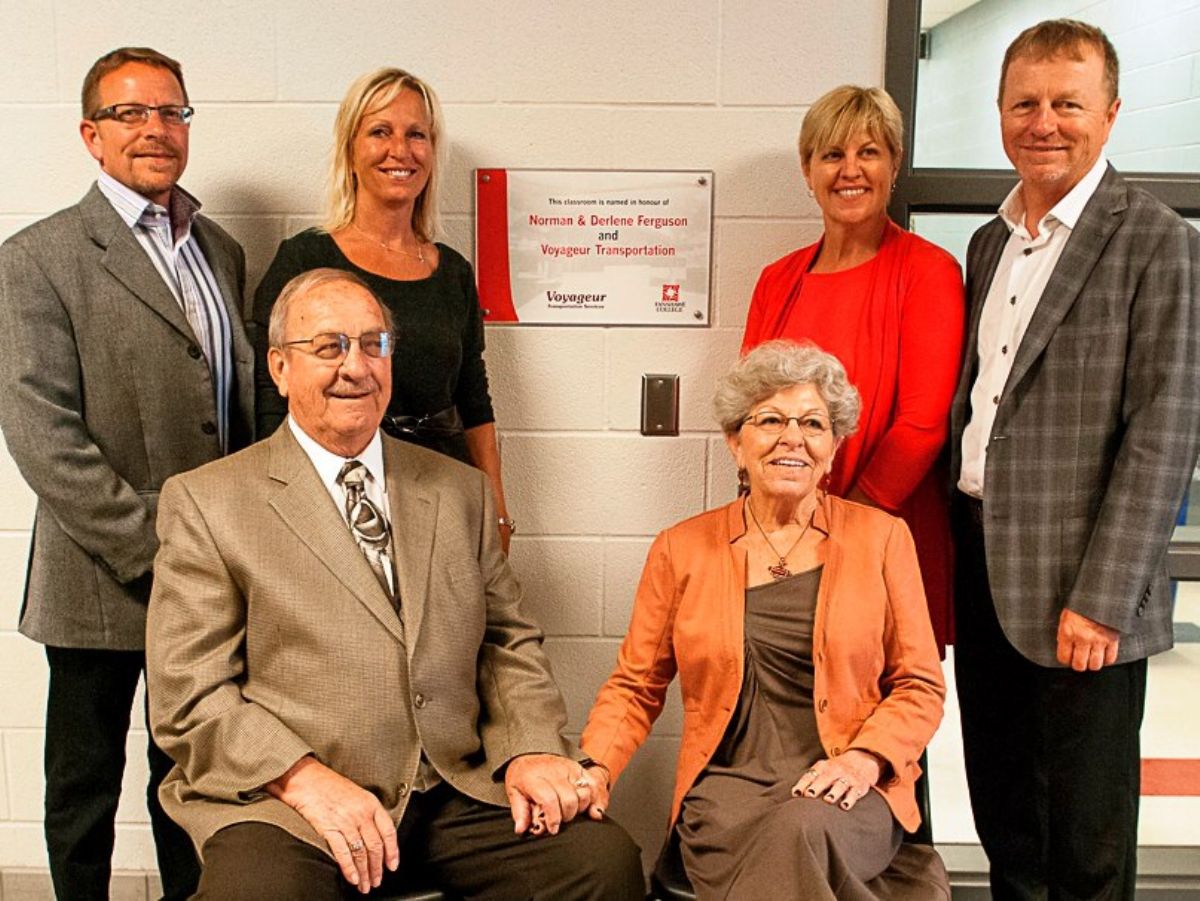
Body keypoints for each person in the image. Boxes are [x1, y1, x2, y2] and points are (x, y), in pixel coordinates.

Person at [146, 268, 643, 899]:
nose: (355, 366)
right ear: (279, 368)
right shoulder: (208, 501)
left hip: (452, 786)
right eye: (328, 346)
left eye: (372, 344)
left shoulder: (459, 490)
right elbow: (190, 694)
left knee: (602, 862)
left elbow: (506, 642)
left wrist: (531, 747)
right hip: (289, 801)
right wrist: (302, 779)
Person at [950, 19, 1200, 899]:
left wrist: (1102, 599)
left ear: (1112, 113)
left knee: (1086, 843)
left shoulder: (1157, 240)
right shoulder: (989, 243)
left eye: (1069, 103)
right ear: (1000, 113)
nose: (1044, 122)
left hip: (1083, 589)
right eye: (1025, 103)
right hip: (984, 567)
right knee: (1007, 820)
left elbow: (1165, 430)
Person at [0, 46, 253, 901]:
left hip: (212, 574)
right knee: (84, 788)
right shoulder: (37, 257)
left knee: (192, 776)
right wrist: (158, 551)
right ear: (91, 134)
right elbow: (43, 434)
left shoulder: (220, 250)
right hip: (100, 574)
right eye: (131, 113)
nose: (156, 129)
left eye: (172, 112)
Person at [581, 341, 947, 900]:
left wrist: (864, 759)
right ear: (736, 441)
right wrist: (596, 768)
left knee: (803, 829)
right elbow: (636, 686)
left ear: (833, 448)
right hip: (727, 794)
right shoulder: (682, 549)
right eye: (771, 420)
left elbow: (919, 685)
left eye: (813, 424)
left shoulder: (883, 539)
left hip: (850, 787)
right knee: (792, 840)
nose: (792, 438)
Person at [251, 66, 515, 552]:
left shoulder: (453, 272)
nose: (400, 150)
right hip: (337, 493)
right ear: (350, 150)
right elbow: (271, 397)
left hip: (442, 492)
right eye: (379, 132)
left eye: (416, 134)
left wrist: (496, 508)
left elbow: (474, 400)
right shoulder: (304, 259)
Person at [742, 85, 965, 654]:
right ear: (807, 169)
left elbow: (922, 427)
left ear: (894, 164)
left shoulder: (928, 272)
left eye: (869, 152)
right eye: (832, 154)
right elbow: (749, 414)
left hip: (883, 534)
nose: (850, 171)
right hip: (781, 537)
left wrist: (839, 529)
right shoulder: (777, 280)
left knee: (881, 699)